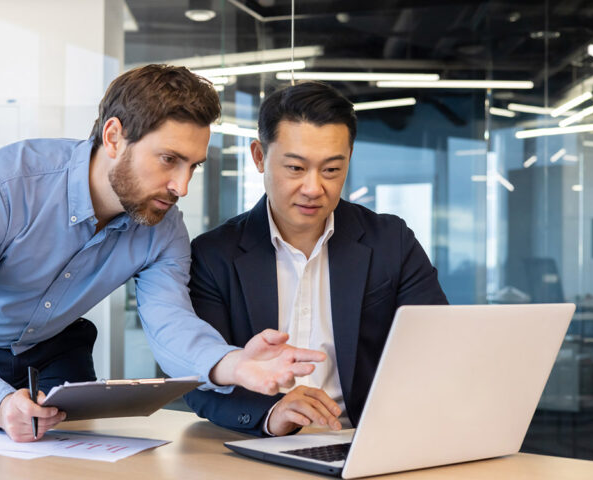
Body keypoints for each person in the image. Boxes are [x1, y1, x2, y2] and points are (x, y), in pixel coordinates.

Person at [0, 65, 325, 442]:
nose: (182, 186)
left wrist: (235, 364)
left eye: (193, 165)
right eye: (169, 159)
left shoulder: (165, 228)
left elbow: (170, 324)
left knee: (74, 467)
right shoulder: (2, 186)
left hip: (54, 345)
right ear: (113, 137)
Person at [184, 81, 448, 436]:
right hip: (259, 444)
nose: (313, 188)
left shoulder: (391, 241)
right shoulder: (214, 255)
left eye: (331, 170)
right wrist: (271, 414)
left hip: (364, 441)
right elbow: (198, 381)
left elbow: (437, 347)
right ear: (259, 157)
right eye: (295, 168)